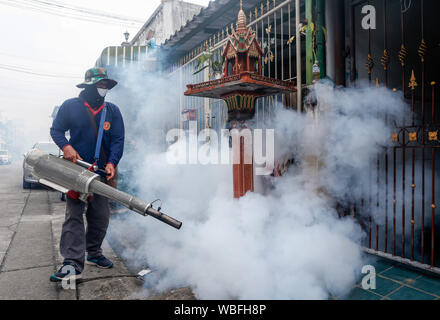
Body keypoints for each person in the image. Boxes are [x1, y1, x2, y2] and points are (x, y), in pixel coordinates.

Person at [49, 67, 125, 282]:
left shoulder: (112, 111)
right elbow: (56, 130)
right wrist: (66, 147)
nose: (103, 89)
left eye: (106, 86)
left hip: (104, 172)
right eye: (100, 85)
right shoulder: (70, 107)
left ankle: (94, 252)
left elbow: (118, 140)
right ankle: (71, 262)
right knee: (74, 215)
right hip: (77, 171)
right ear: (89, 85)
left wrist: (112, 162)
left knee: (100, 216)